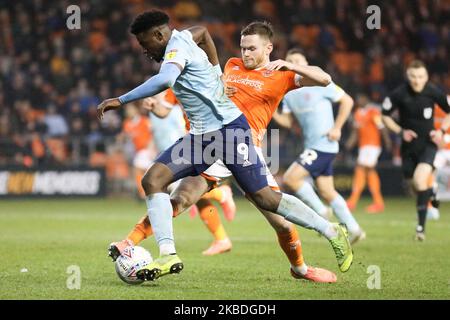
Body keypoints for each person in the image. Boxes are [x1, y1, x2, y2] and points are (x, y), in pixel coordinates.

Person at [98, 11, 352, 282]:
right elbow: (203, 33)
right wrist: (218, 74)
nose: (245, 54)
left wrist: (290, 66)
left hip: (235, 136)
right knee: (158, 183)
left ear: (268, 48)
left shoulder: (279, 74)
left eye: (251, 48)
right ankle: (164, 252)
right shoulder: (229, 64)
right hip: (202, 137)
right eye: (243, 48)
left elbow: (324, 79)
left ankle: (320, 245)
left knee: (270, 205)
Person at [272, 48, 365, 245]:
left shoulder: (319, 82)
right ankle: (355, 229)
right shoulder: (289, 93)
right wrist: (270, 109)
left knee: (290, 178)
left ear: (306, 62)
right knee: (327, 190)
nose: (294, 63)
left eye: (298, 59)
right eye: (290, 60)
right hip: (314, 146)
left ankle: (321, 212)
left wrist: (338, 128)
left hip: (323, 143)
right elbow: (288, 122)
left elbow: (348, 100)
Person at [381, 60, 450, 241]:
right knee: (413, 186)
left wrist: (441, 131)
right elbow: (385, 115)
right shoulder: (399, 93)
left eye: (420, 76)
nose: (417, 80)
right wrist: (400, 131)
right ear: (408, 76)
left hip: (428, 144)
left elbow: (449, 112)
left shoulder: (433, 91)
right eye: (413, 76)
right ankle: (432, 191)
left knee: (420, 182)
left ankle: (420, 229)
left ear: (426, 77)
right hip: (408, 147)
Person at [345, 94, 392, 213]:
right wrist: (349, 143)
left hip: (372, 146)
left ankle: (355, 201)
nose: (358, 100)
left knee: (363, 169)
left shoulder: (373, 111)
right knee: (365, 170)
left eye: (360, 98)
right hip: (363, 147)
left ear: (366, 99)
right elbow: (355, 132)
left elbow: (381, 127)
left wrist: (387, 141)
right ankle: (375, 202)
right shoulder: (357, 113)